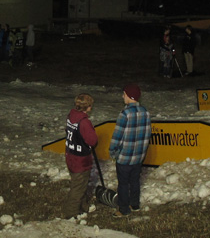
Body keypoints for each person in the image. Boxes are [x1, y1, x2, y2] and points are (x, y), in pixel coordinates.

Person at [108, 83, 151, 217]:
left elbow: (117, 135)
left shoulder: (125, 114)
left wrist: (113, 151)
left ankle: (123, 209)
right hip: (138, 156)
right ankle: (135, 204)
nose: (123, 96)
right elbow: (147, 134)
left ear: (129, 96)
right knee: (135, 181)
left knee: (123, 184)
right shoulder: (145, 112)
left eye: (124, 94)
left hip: (125, 157)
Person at [64, 93, 99, 217]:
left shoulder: (71, 116)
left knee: (81, 184)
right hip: (81, 160)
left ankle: (83, 207)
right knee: (78, 188)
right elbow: (92, 140)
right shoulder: (84, 122)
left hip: (71, 156)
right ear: (88, 107)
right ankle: (71, 214)